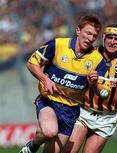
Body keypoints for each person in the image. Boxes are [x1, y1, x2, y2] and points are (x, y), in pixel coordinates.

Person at [19, 15, 110, 153]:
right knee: (50, 131)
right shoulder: (57, 45)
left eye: (94, 35)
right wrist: (45, 79)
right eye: (88, 33)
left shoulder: (98, 60)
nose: (90, 38)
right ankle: (33, 146)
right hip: (49, 100)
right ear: (78, 30)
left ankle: (38, 138)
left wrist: (94, 84)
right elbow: (32, 63)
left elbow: (104, 92)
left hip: (71, 110)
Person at [63, 24, 117, 153]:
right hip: (82, 111)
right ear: (103, 38)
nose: (113, 42)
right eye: (110, 37)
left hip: (106, 118)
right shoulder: (89, 54)